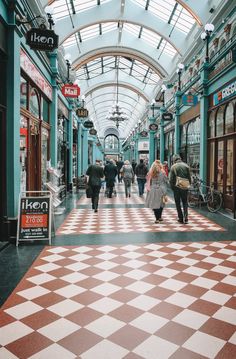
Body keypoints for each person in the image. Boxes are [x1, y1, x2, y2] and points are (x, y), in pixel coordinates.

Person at [169, 154, 191, 224]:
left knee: (177, 203)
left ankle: (180, 218)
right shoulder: (186, 166)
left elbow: (171, 179)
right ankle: (186, 217)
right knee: (185, 202)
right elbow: (189, 178)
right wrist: (188, 185)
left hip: (177, 187)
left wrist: (172, 187)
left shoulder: (173, 167)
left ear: (174, 160)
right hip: (185, 186)